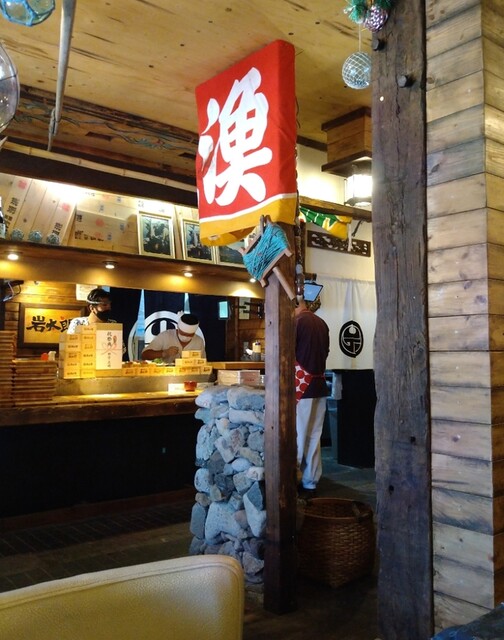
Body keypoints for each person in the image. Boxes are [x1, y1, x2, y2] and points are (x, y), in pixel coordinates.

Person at [295, 296, 330, 496]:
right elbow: (326, 352)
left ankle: (293, 480)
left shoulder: (296, 322)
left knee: (298, 436)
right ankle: (310, 482)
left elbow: (286, 355)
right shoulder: (322, 323)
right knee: (314, 436)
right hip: (320, 386)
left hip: (302, 389)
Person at [141, 312, 206, 363]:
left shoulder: (198, 341)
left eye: (189, 335)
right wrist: (164, 353)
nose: (185, 337)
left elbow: (203, 363)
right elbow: (144, 355)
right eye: (183, 333)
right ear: (178, 328)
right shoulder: (165, 336)